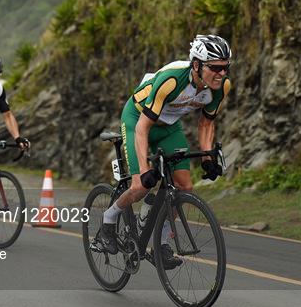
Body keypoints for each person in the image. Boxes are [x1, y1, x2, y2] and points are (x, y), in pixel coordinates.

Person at [99, 34, 232, 269]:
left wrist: (208, 157)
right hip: (137, 120)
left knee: (184, 186)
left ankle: (159, 244)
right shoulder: (172, 80)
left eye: (225, 67)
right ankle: (108, 219)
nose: (222, 74)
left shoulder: (220, 87)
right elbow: (142, 127)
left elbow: (206, 123)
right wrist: (144, 168)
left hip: (169, 127)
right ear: (197, 65)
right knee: (141, 185)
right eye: (216, 68)